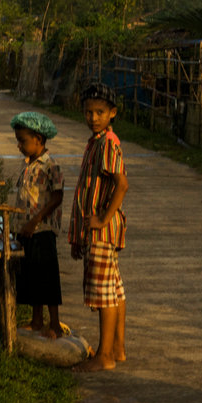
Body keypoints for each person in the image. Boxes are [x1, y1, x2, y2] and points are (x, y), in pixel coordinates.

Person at [67, 85, 129, 370]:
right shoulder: (96, 142)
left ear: (112, 113)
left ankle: (105, 355)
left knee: (103, 293)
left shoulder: (107, 144)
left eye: (100, 112)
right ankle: (117, 348)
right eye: (89, 112)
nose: (93, 117)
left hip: (103, 229)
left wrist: (103, 218)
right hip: (99, 229)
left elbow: (122, 184)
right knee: (114, 290)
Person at [10, 111, 65, 336]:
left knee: (47, 277)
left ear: (39, 140)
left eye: (23, 141)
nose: (19, 146)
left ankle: (54, 323)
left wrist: (36, 220)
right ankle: (36, 320)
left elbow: (57, 196)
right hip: (26, 230)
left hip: (42, 230)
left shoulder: (50, 166)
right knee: (32, 275)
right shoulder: (28, 165)